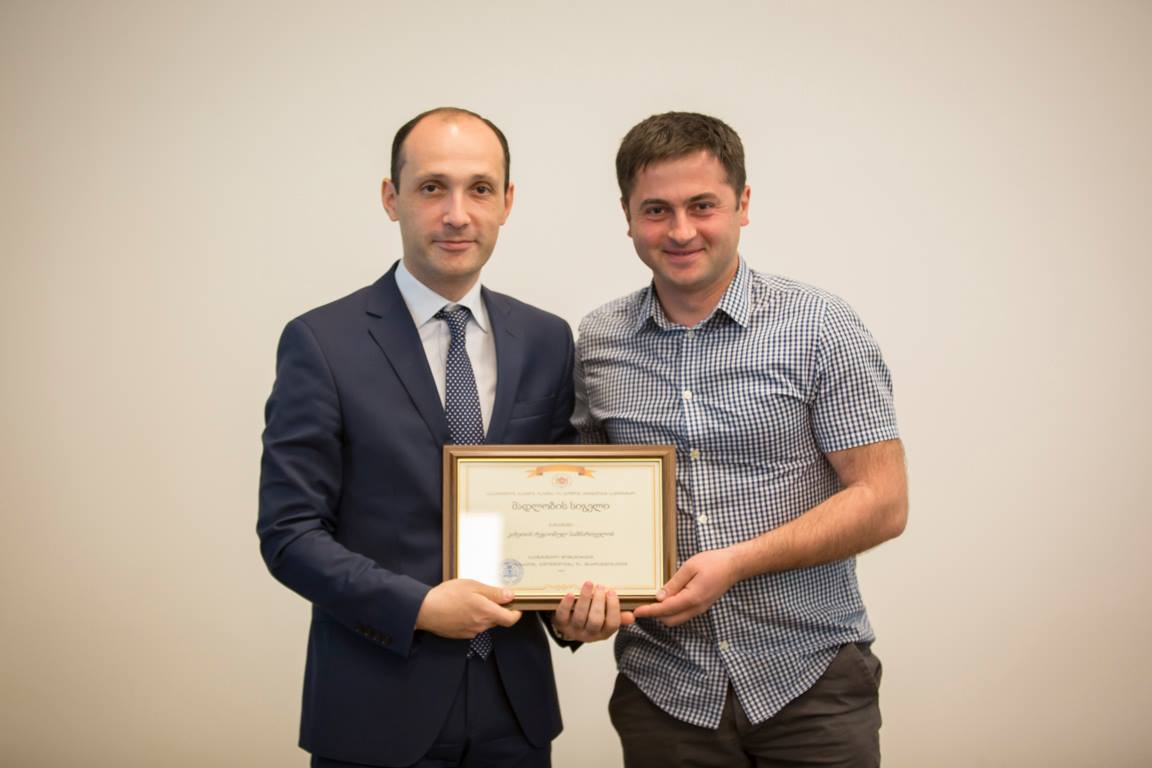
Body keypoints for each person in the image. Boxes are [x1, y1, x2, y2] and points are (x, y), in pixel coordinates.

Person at [258, 107, 615, 768]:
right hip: (375, 711)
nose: (457, 214)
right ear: (391, 198)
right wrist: (419, 606)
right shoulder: (321, 343)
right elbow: (289, 534)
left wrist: (571, 608)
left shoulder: (546, 339)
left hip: (516, 713)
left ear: (507, 202)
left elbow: (549, 513)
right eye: (431, 187)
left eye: (479, 189)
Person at [574, 111, 909, 767]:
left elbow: (883, 500)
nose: (680, 231)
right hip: (664, 692)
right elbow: (584, 504)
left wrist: (736, 562)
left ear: (743, 204)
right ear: (627, 216)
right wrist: (573, 598)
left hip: (811, 679)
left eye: (702, 205)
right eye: (656, 210)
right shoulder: (597, 341)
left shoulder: (820, 326)